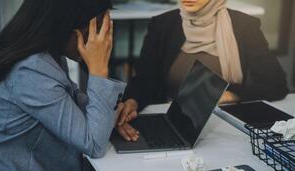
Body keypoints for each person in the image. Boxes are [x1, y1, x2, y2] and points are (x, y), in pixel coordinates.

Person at [0, 0, 126, 171]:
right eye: (98, 29)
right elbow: (93, 144)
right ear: (68, 27)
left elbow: (76, 105)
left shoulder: (48, 56)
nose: (104, 40)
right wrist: (99, 70)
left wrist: (114, 113)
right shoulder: (30, 70)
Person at [116, 0, 289, 141]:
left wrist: (232, 95)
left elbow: (276, 85)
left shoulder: (245, 26)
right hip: (174, 123)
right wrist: (133, 101)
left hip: (225, 124)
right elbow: (145, 80)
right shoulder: (162, 24)